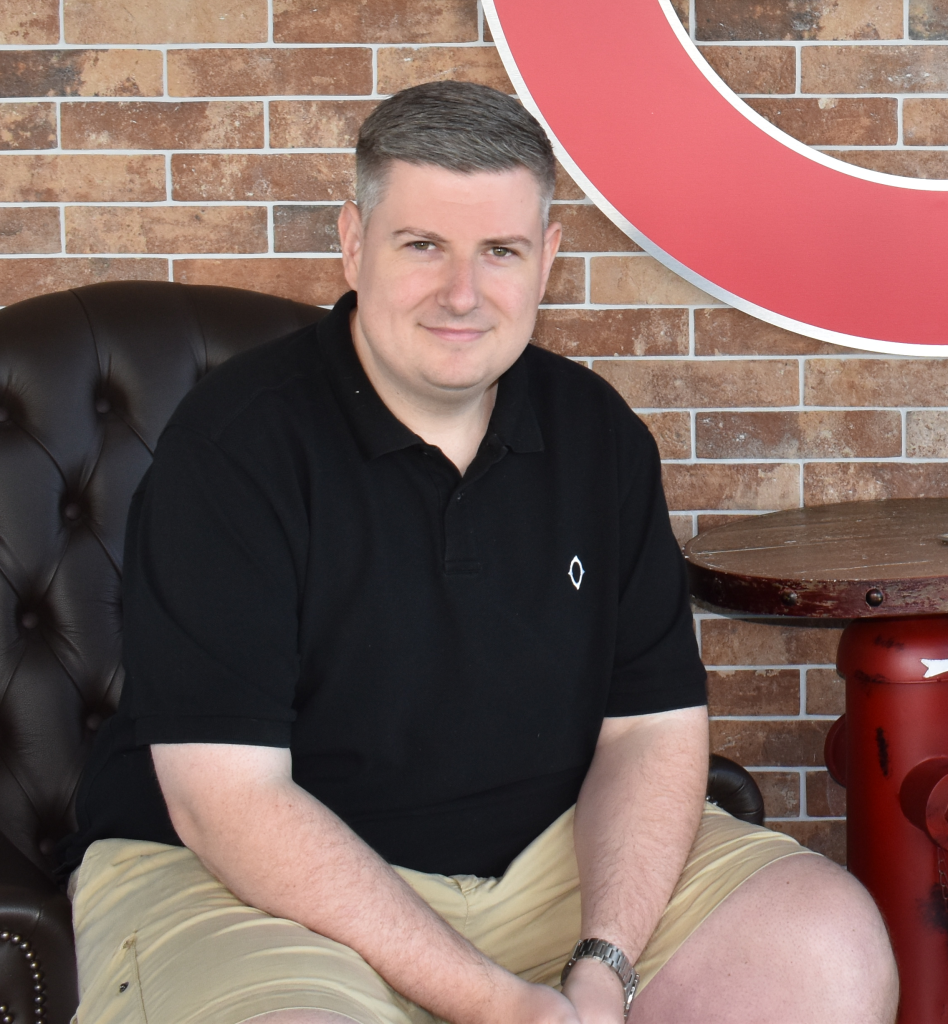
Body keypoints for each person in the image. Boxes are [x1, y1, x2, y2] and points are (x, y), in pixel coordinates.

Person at [61, 81, 898, 1024]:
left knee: (824, 949)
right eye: (423, 245)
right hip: (253, 885)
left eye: (499, 251)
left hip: (546, 863)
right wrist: (499, 1003)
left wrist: (604, 965)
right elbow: (230, 802)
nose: (462, 294)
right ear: (353, 243)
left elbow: (649, 733)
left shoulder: (598, 437)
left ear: (547, 259)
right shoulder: (233, 447)